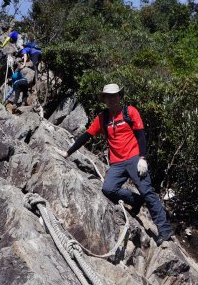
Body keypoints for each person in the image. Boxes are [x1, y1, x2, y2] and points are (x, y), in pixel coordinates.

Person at [62, 83, 174, 246]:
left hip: (135, 159)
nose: (112, 99)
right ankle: (135, 201)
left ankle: (164, 230)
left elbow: (141, 135)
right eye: (109, 96)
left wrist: (143, 158)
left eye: (115, 96)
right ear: (105, 99)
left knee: (147, 192)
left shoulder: (130, 112)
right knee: (108, 189)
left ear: (120, 97)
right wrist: (67, 153)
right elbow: (86, 136)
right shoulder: (103, 118)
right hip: (117, 164)